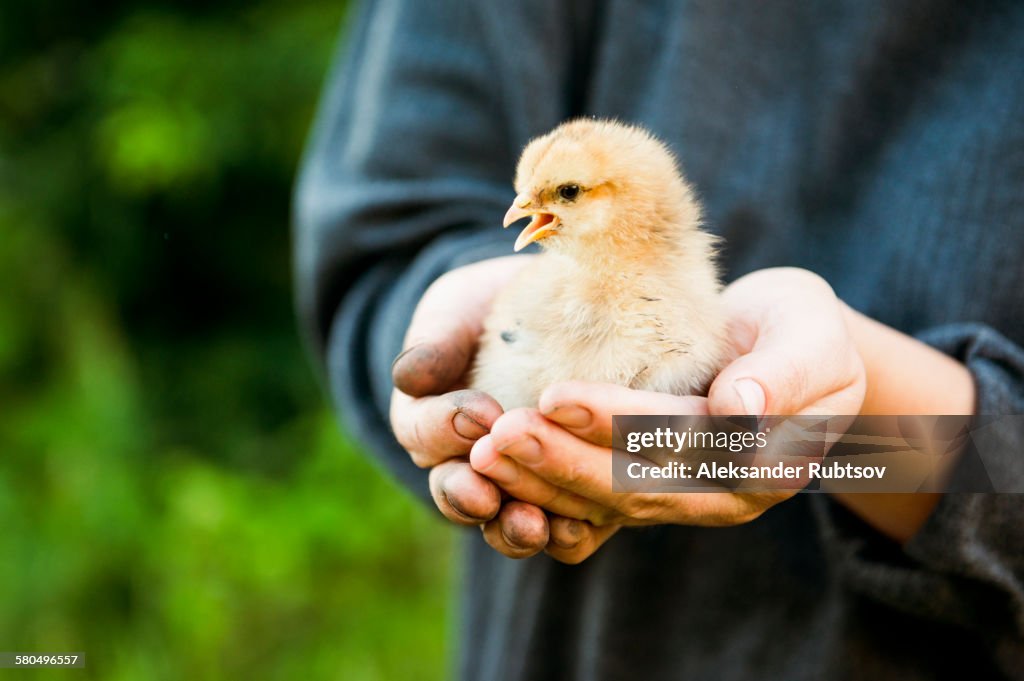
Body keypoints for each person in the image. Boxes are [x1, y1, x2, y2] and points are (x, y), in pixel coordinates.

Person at [293, 1, 1024, 678]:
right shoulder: (554, 283)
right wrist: (442, 327)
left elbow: (1003, 470)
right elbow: (381, 241)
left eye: (565, 195)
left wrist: (847, 429)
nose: (532, 210)